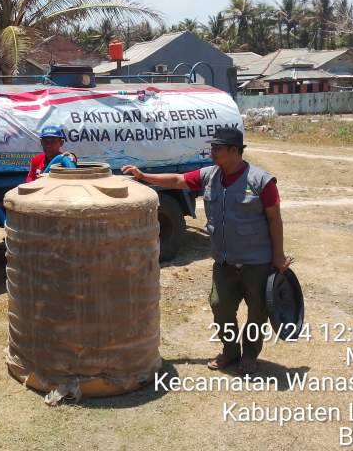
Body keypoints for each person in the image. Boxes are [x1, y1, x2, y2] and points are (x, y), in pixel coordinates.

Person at [122, 126, 290, 375]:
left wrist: (278, 255)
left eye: (217, 148)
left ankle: (250, 354)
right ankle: (231, 351)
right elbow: (179, 181)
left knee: (258, 310)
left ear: (235, 151)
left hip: (257, 262)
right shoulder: (210, 175)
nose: (211, 151)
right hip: (224, 262)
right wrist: (144, 176)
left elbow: (275, 219)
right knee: (220, 307)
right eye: (212, 147)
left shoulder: (261, 182)